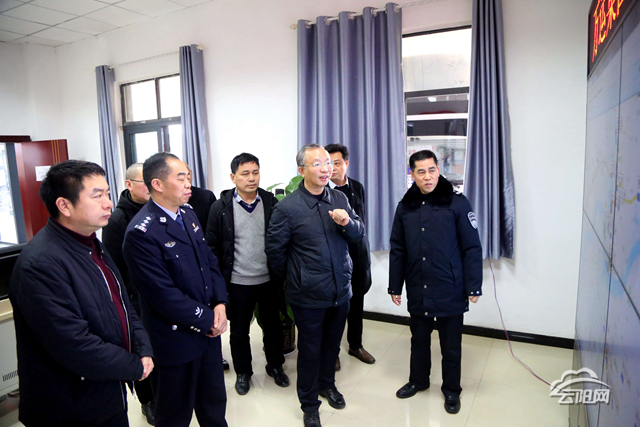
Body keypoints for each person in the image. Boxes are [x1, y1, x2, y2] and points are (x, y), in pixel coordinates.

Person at [9, 160, 153, 427]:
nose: (109, 203)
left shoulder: (92, 245)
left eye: (108, 194)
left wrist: (143, 348)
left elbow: (122, 304)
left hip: (105, 390)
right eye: (97, 196)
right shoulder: (40, 264)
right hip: (68, 404)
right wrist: (134, 365)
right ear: (64, 205)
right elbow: (74, 345)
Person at [123, 152, 228, 427]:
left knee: (214, 407)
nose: (188, 184)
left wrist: (220, 303)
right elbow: (164, 295)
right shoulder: (141, 233)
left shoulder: (188, 213)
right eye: (180, 178)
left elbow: (209, 262)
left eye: (188, 177)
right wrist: (209, 319)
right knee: (174, 416)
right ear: (157, 184)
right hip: (175, 341)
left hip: (208, 334)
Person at [266, 144, 365, 427]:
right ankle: (309, 404)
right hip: (308, 295)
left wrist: (347, 223)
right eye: (318, 164)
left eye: (328, 163)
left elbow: (358, 234)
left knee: (332, 346)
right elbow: (275, 254)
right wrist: (298, 278)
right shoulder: (287, 208)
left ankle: (327, 385)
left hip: (340, 290)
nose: (326, 169)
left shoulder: (339, 198)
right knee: (310, 351)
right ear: (302, 170)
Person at [388, 150, 482, 414]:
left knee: (450, 345)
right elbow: (398, 248)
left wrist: (473, 285)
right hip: (418, 284)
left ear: (438, 170)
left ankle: (451, 390)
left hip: (450, 285)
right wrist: (395, 285)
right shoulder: (405, 206)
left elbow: (472, 247)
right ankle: (418, 381)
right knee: (418, 340)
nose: (427, 176)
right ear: (412, 175)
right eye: (421, 172)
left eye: (431, 170)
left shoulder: (457, 203)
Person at [206, 153, 289, 395]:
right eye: (245, 174)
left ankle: (275, 366)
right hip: (237, 281)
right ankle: (243, 372)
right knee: (239, 331)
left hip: (268, 279)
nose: (251, 178)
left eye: (255, 172)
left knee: (273, 327)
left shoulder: (271, 203)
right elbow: (211, 247)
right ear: (233, 177)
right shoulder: (220, 208)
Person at [102, 162, 155, 425]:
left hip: (159, 295)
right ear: (129, 185)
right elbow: (113, 268)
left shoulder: (157, 209)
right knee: (141, 350)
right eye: (144, 181)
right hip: (134, 300)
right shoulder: (117, 221)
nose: (151, 186)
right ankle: (147, 401)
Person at [324, 144, 374, 369]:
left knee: (357, 302)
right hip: (335, 257)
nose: (332, 168)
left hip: (357, 254)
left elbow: (361, 222)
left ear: (346, 163)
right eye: (329, 163)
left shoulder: (357, 187)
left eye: (337, 163)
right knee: (333, 308)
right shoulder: (323, 190)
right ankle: (331, 351)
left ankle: (356, 344)